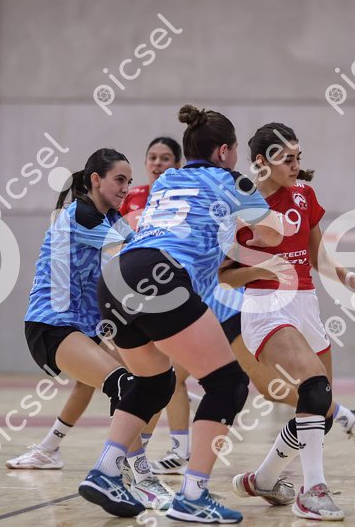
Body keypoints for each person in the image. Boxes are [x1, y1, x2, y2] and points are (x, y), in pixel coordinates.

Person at [78, 105, 283, 522]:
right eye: (236, 150)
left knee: (154, 382)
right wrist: (266, 189)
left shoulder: (167, 179)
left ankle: (105, 470)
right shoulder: (233, 180)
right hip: (162, 277)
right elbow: (273, 234)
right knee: (228, 384)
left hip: (116, 277)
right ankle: (192, 495)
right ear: (224, 151)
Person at [219, 123, 355, 521]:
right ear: (261, 161)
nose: (295, 165)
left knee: (319, 410)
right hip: (266, 307)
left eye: (298, 157)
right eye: (287, 158)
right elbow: (223, 275)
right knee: (315, 388)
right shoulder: (242, 204)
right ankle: (312, 492)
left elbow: (319, 255)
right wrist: (261, 269)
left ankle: (264, 479)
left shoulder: (304, 194)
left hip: (306, 306)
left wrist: (353, 282)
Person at [18, 148, 172, 509]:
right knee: (126, 385)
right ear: (95, 180)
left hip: (87, 327)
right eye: (119, 180)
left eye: (129, 181)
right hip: (52, 325)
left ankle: (120, 466)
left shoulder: (112, 218)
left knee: (159, 379)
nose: (126, 188)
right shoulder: (82, 216)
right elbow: (135, 255)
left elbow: (138, 249)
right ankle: (134, 475)